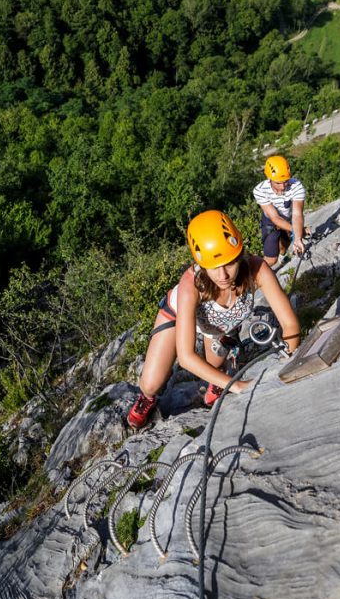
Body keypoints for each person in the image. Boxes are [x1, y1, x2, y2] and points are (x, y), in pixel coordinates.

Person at [126, 210, 301, 429]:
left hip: (217, 327)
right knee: (151, 383)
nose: (223, 275)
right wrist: (237, 386)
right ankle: (146, 399)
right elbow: (186, 357)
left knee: (213, 368)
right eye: (213, 267)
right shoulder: (192, 284)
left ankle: (216, 381)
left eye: (229, 263)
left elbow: (289, 323)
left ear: (240, 254)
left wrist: (290, 362)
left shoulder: (257, 270)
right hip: (176, 314)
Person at [252, 155, 307, 269]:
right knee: (271, 259)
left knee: (284, 245)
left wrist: (297, 238)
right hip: (270, 221)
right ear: (268, 177)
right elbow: (275, 218)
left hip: (288, 218)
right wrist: (298, 231)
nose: (282, 187)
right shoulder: (260, 190)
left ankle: (282, 256)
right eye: (278, 183)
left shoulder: (296, 186)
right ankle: (254, 276)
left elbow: (297, 214)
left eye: (285, 181)